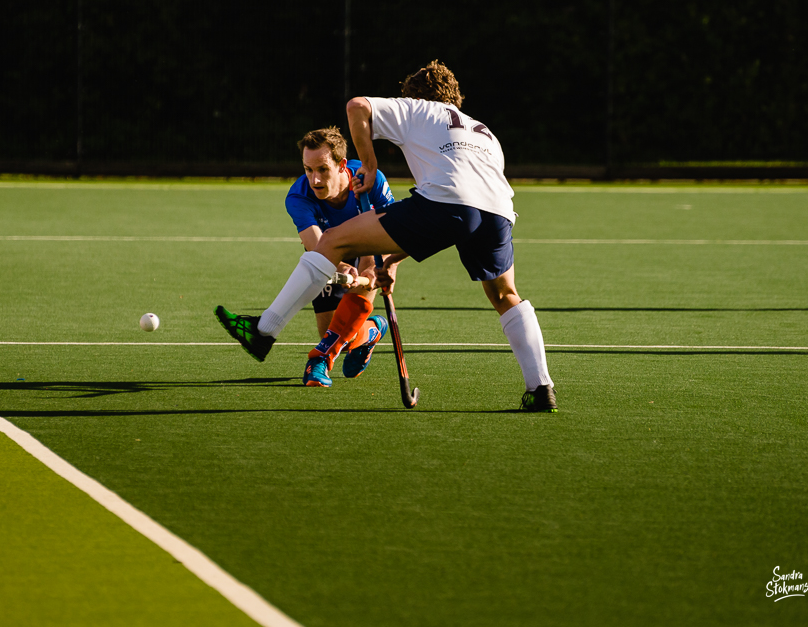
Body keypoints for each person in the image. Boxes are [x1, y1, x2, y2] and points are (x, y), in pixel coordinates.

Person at [216, 60, 556, 412]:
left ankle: (264, 330)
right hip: (497, 211)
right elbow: (459, 216)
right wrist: (393, 259)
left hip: (445, 202)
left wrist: (370, 162)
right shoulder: (483, 130)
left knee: (333, 240)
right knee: (506, 295)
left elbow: (357, 107)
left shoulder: (419, 108)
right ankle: (541, 388)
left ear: (414, 95)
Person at [222, 126, 394, 387]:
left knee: (341, 326)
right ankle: (371, 330)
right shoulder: (298, 196)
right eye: (308, 170)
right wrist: (342, 268)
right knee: (336, 332)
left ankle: (319, 359)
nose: (315, 180)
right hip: (327, 253)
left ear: (341, 165)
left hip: (369, 244)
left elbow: (391, 229)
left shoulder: (370, 180)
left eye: (322, 169)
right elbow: (317, 245)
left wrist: (375, 267)